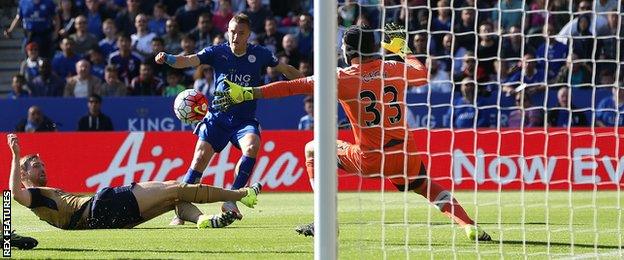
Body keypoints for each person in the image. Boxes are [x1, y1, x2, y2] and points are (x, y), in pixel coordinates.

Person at [213, 24, 492, 241]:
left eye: (343, 46)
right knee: (429, 188)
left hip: (370, 158)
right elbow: (422, 73)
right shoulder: (394, 68)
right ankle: (468, 226)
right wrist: (403, 49)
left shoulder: (342, 77)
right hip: (405, 152)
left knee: (312, 148)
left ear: (349, 50)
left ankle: (326, 220)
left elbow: (291, 86)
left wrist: (249, 92)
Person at [155, 13, 302, 224]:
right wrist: (167, 58)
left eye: (241, 33)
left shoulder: (260, 54)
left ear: (248, 35)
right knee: (198, 160)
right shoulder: (217, 52)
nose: (235, 37)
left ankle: (231, 200)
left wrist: (311, 81)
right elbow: (188, 60)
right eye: (232, 32)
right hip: (217, 118)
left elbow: (285, 70)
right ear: (227, 32)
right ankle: (181, 211)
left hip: (244, 121)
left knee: (252, 146)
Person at [6, 133, 261, 230]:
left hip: (106, 222)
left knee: (174, 197)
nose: (43, 170)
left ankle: (203, 220)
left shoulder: (40, 199)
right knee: (175, 185)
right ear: (24, 173)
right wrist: (16, 155)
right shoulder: (33, 194)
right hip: (103, 205)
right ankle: (240, 195)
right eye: (37, 166)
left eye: (43, 165)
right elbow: (14, 193)